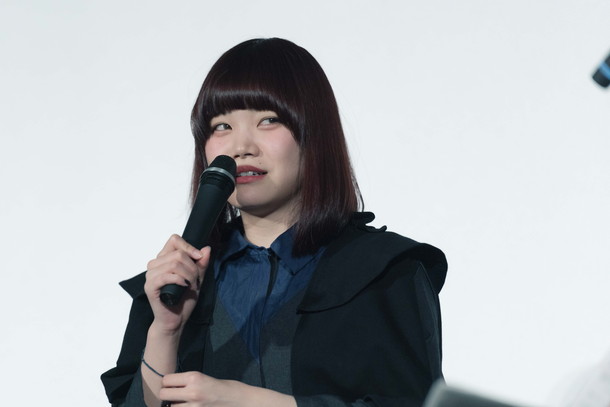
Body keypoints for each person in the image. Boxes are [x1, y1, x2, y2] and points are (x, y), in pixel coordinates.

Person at [101, 37, 448, 407]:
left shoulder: (384, 271)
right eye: (221, 126)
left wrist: (255, 402)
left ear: (314, 135)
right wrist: (166, 331)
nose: (241, 147)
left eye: (268, 120)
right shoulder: (174, 282)